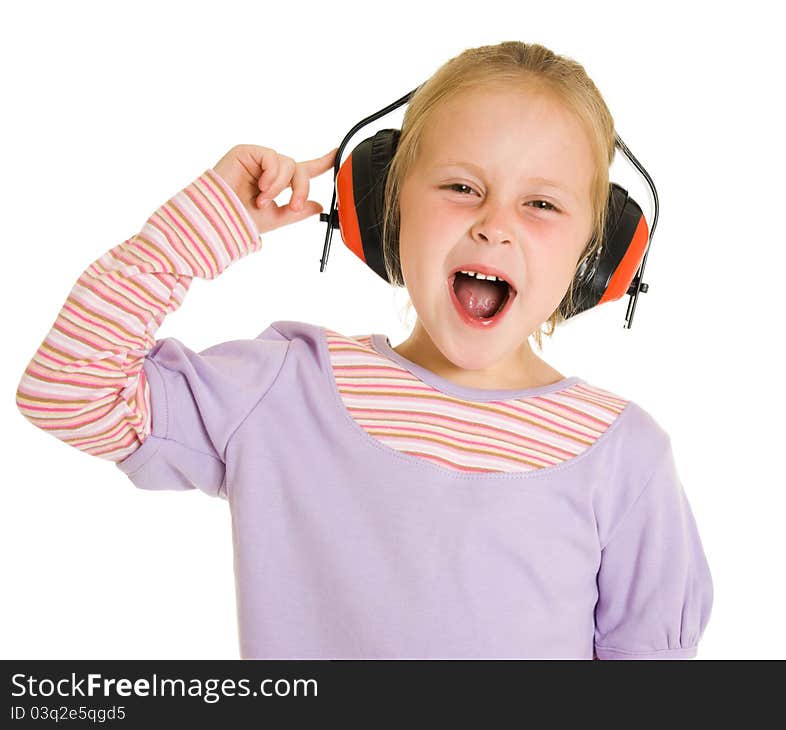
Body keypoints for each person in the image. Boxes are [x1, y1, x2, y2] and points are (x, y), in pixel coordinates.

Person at [15, 41, 713, 659]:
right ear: (386, 207)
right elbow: (68, 391)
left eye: (542, 205)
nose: (495, 226)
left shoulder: (625, 459)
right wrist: (208, 221)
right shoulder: (287, 389)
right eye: (462, 187)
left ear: (598, 258)